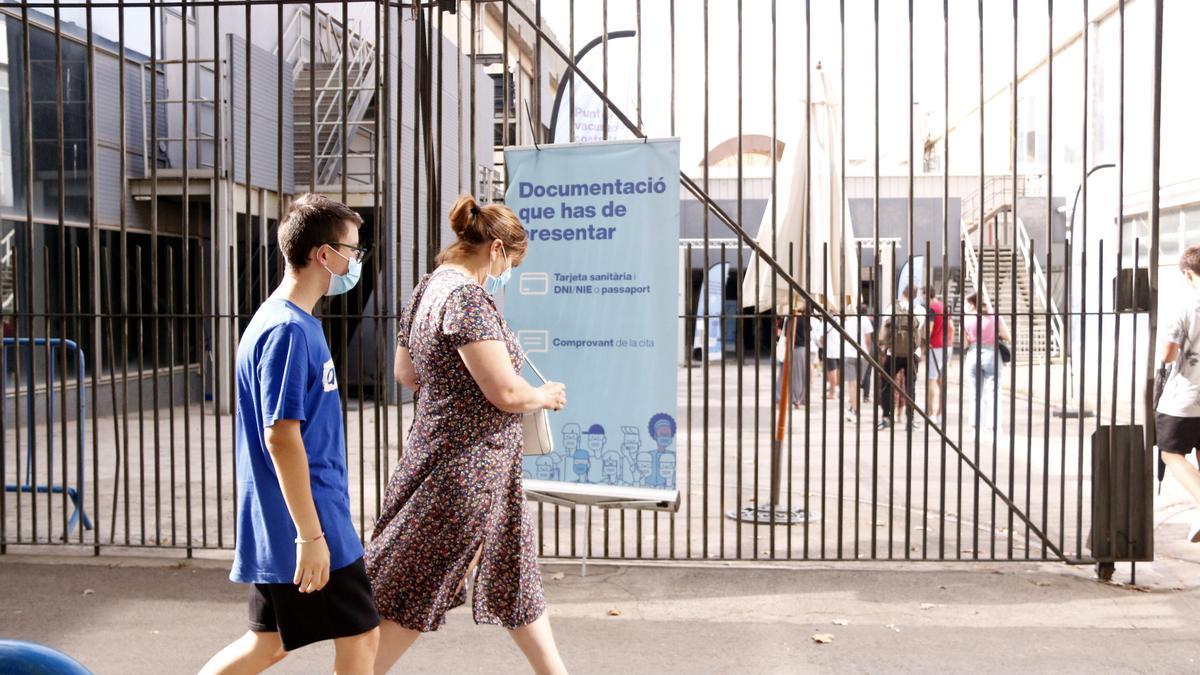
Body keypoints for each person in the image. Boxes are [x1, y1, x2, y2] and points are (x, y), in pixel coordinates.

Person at [366, 194, 568, 675]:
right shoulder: (467, 299)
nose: (508, 273)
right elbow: (504, 393)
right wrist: (544, 396)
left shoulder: (427, 289)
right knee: (417, 586)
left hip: (449, 457)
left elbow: (406, 373)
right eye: (512, 262)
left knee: (516, 578)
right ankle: (357, 673)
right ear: (496, 249)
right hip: (468, 469)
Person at [201, 194, 379, 674]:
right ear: (325, 255)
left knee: (270, 643)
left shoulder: (286, 322)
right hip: (310, 518)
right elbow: (281, 437)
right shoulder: (287, 330)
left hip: (298, 515)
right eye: (353, 251)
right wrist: (310, 535)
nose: (356, 261)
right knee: (361, 634)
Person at [1155, 245, 1200, 542]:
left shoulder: (1185, 304)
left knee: (1171, 452)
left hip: (1186, 396)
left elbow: (1168, 355)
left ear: (1188, 273)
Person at [877, 287, 925, 430]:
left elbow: (884, 328)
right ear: (916, 296)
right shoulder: (920, 310)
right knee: (911, 387)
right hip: (912, 353)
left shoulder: (892, 307)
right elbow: (920, 331)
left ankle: (886, 417)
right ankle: (910, 421)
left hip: (893, 352)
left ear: (903, 293)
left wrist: (883, 346)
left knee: (886, 385)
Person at [963, 292, 1010, 433]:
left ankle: (975, 423)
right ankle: (993, 425)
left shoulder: (966, 319)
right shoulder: (995, 318)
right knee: (993, 391)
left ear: (971, 304)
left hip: (973, 354)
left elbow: (964, 344)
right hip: (991, 354)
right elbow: (1007, 336)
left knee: (975, 392)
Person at [824, 302, 873, 423]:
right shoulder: (865, 320)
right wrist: (866, 352)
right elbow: (868, 339)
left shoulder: (849, 321)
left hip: (849, 354)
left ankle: (853, 409)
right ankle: (854, 409)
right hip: (862, 355)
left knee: (852, 384)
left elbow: (844, 337)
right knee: (858, 383)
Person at [924, 286, 954, 421]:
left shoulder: (931, 309)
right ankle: (941, 413)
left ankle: (930, 414)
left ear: (926, 295)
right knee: (941, 381)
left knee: (930, 380)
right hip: (947, 346)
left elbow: (929, 329)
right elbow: (952, 328)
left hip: (935, 346)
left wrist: (925, 344)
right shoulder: (944, 306)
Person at [775, 305, 810, 409]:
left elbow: (778, 333)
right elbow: (808, 334)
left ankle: (779, 396)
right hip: (801, 348)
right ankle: (797, 399)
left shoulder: (787, 318)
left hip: (787, 347)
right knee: (799, 375)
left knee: (782, 373)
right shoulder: (804, 319)